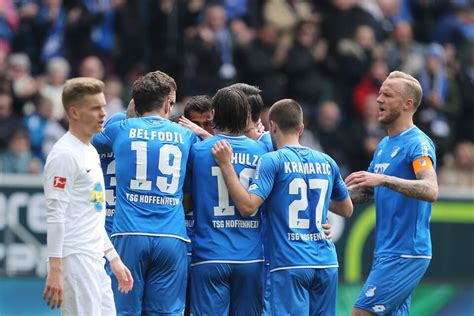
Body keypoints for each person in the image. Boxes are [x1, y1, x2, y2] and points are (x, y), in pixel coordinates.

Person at [212, 99, 353, 315]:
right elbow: (346, 209)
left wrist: (226, 165)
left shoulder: (272, 160)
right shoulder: (327, 161)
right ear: (302, 128)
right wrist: (317, 203)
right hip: (326, 263)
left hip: (290, 263)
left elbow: (248, 206)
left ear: (273, 127)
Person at [93, 71, 198, 315]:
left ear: (136, 103)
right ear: (168, 104)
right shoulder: (186, 135)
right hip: (172, 236)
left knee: (124, 311)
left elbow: (85, 140)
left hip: (129, 234)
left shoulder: (121, 129)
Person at [345, 71, 438, 315]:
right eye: (380, 93)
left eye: (388, 95)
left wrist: (383, 179)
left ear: (408, 104)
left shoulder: (418, 144)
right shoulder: (385, 145)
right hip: (386, 250)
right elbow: (369, 192)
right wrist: (333, 195)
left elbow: (430, 189)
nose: (378, 99)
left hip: (406, 252)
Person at [42, 77, 133, 314]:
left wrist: (113, 257)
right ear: (74, 112)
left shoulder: (90, 151)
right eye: (95, 108)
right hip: (75, 260)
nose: (103, 113)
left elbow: (92, 213)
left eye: (103, 106)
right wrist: (56, 268)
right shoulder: (64, 155)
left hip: (95, 260)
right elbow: (55, 214)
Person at [187, 87, 268, 315]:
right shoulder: (261, 152)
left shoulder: (198, 151)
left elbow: (187, 202)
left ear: (213, 114)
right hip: (251, 258)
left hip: (209, 255)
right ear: (246, 115)